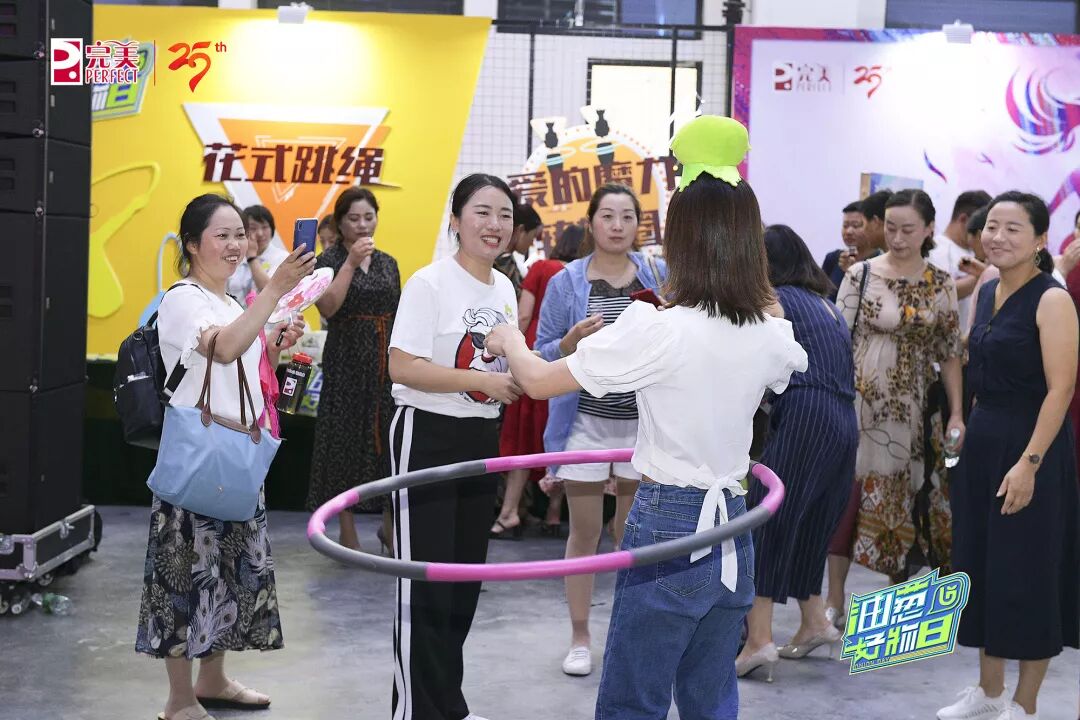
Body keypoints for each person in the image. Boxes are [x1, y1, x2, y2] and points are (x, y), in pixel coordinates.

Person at [485, 114, 807, 720]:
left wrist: (508, 339)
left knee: (634, 700)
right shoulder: (768, 334)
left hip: (669, 522)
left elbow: (538, 381)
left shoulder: (657, 329)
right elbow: (769, 316)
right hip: (733, 526)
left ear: (679, 240)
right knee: (710, 696)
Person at [136, 193, 314, 720]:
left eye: (241, 234)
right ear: (192, 244)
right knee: (181, 576)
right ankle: (179, 699)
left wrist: (275, 342)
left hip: (236, 454)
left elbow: (248, 367)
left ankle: (212, 679)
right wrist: (275, 291)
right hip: (199, 456)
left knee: (228, 572)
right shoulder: (182, 299)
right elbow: (225, 348)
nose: (237, 244)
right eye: (223, 235)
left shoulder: (234, 303)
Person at [939, 191, 1079, 720]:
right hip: (983, 442)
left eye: (1012, 228)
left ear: (1041, 239)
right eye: (991, 226)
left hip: (1032, 445)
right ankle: (989, 690)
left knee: (1029, 570)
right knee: (979, 565)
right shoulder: (986, 289)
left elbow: (1060, 389)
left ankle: (1025, 703)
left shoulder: (1052, 300)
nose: (996, 237)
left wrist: (1030, 463)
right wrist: (961, 420)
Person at [386, 173, 521, 720]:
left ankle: (448, 706)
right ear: (456, 220)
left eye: (505, 214)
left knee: (464, 583)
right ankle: (415, 711)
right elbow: (401, 366)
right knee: (425, 588)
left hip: (480, 437)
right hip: (427, 434)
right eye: (482, 212)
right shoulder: (430, 283)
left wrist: (565, 349)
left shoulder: (504, 288)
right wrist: (482, 381)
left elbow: (509, 366)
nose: (495, 224)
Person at [533, 182, 667, 677]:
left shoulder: (658, 275)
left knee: (631, 536)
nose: (617, 225)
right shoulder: (566, 282)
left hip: (643, 427)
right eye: (607, 216)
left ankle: (626, 636)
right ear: (590, 223)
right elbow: (542, 352)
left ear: (638, 224)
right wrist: (569, 341)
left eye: (627, 216)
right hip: (583, 425)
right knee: (584, 533)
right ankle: (580, 637)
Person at [827, 189, 964, 618]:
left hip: (915, 408)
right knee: (847, 501)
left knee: (909, 499)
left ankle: (895, 603)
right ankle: (834, 601)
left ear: (928, 230)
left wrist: (957, 412)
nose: (898, 238)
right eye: (890, 228)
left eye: (908, 229)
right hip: (859, 404)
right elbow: (837, 339)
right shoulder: (861, 274)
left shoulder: (941, 283)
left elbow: (949, 352)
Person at [735, 225, 858, 680]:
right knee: (811, 522)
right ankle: (814, 621)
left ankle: (759, 639)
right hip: (844, 419)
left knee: (765, 519)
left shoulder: (776, 298)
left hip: (807, 411)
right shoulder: (826, 304)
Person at [307, 187, 400, 553]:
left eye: (368, 217)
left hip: (384, 364)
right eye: (354, 218)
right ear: (341, 222)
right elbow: (328, 308)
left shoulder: (388, 262)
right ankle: (347, 529)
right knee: (344, 442)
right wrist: (349, 263)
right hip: (346, 361)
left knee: (388, 442)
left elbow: (398, 311)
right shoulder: (327, 260)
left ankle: (389, 526)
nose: (362, 225)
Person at [491, 224, 584, 539]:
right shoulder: (584, 276)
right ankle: (554, 514)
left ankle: (509, 512)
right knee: (561, 440)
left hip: (535, 356)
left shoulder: (542, 269)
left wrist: (513, 351)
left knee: (523, 441)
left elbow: (524, 315)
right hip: (569, 366)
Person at [929, 190, 992, 329]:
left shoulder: (978, 250)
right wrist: (984, 276)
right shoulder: (936, 250)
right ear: (963, 219)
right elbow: (938, 293)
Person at [226, 205, 289, 299]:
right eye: (253, 228)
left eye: (264, 227)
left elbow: (270, 292)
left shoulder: (282, 258)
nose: (260, 233)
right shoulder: (234, 257)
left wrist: (251, 258)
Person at [821, 201, 875, 300]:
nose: (849, 231)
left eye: (856, 226)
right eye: (845, 226)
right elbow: (821, 297)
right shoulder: (833, 258)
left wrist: (853, 273)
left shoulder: (878, 262)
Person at [493, 203, 542, 297]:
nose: (532, 243)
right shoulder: (505, 262)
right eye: (533, 236)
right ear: (521, 230)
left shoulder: (494, 256)